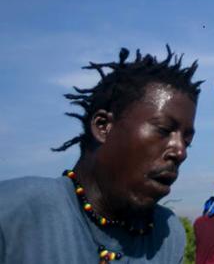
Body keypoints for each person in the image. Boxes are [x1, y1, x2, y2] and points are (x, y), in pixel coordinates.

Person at [0, 46, 201, 263]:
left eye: (187, 141)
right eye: (163, 130)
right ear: (103, 126)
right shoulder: (14, 211)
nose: (180, 152)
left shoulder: (167, 234)